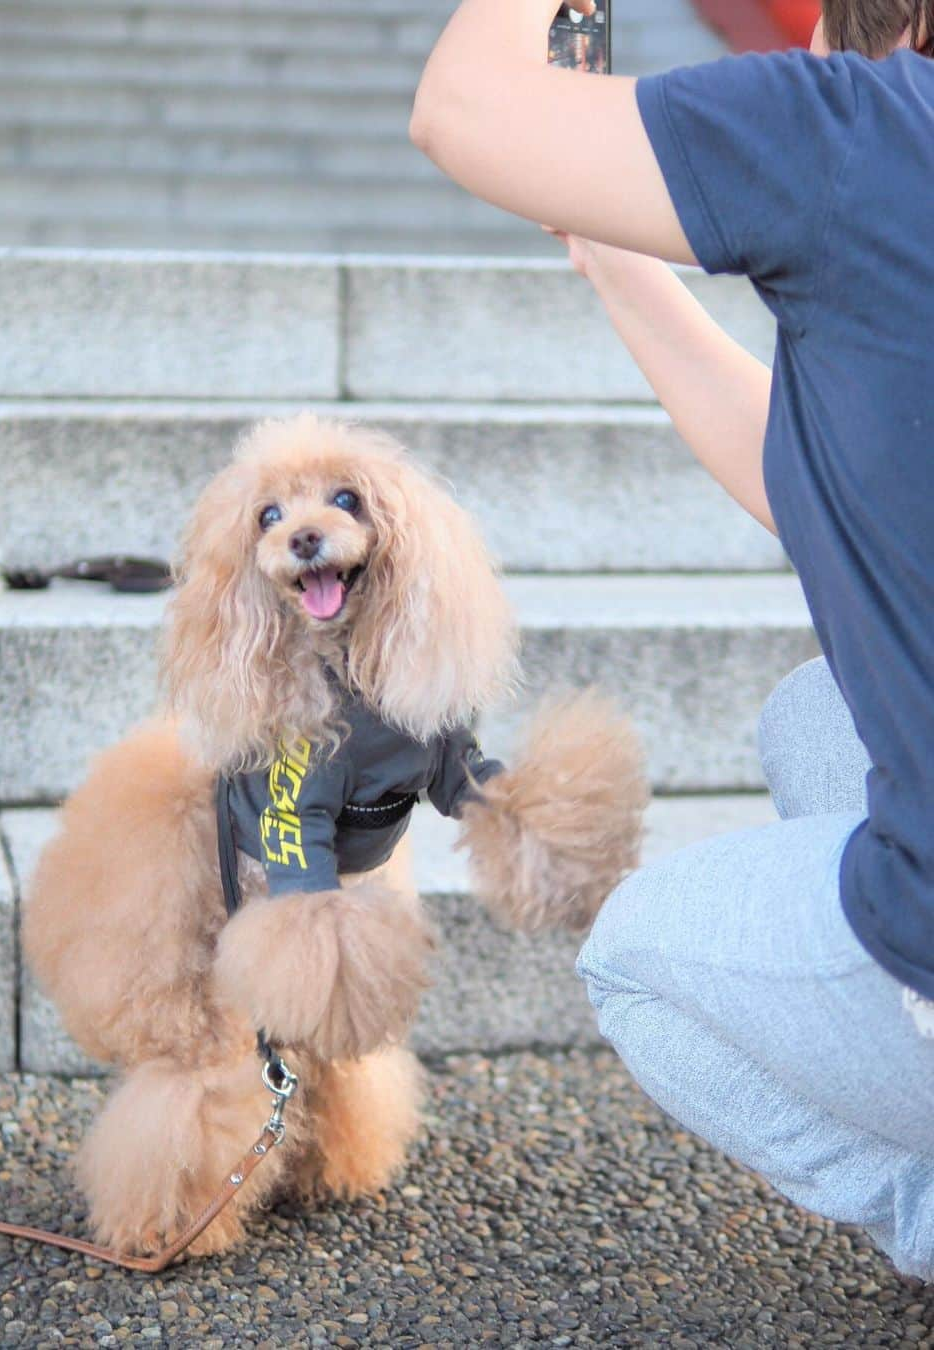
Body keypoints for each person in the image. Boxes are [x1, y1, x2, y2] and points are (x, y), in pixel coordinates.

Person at [411, 0, 934, 1280]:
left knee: (637, 952)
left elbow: (466, 109)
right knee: (814, 718)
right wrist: (619, 255)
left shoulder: (869, 124)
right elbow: (828, 485)